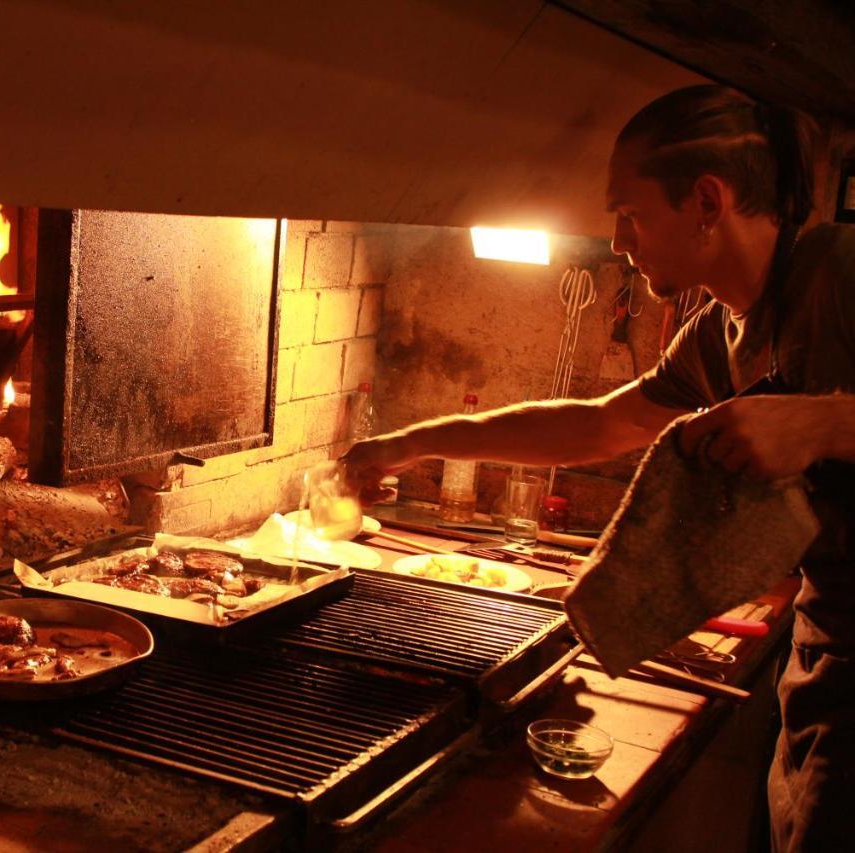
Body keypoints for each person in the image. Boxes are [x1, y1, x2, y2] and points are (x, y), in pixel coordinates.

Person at [342, 85, 855, 851]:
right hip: (826, 660)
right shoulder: (718, 336)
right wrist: (408, 442)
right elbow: (595, 426)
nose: (618, 240)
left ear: (707, 200)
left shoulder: (838, 276)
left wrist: (825, 420)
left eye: (631, 213)